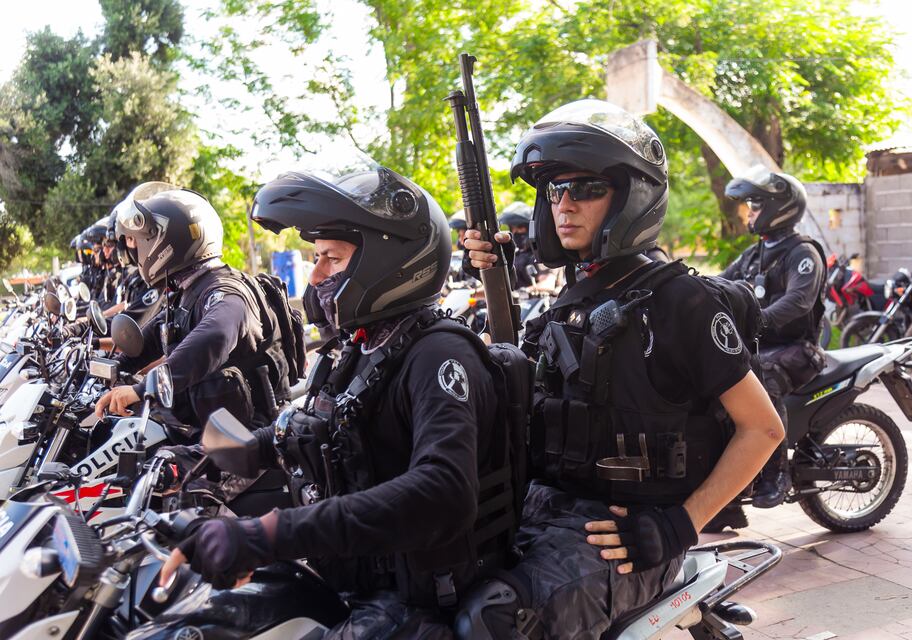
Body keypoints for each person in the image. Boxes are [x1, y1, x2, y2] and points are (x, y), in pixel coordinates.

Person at [155, 160, 523, 639]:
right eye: (317, 258)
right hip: (353, 575)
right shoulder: (363, 346)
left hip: (414, 600)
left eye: (332, 258)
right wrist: (220, 454)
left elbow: (444, 491)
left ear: (385, 264)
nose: (316, 277)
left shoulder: (439, 354)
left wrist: (267, 534)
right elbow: (316, 423)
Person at [460, 99, 783, 638]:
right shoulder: (573, 297)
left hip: (627, 529)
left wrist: (681, 524)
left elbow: (764, 427)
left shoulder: (680, 301)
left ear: (631, 196)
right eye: (554, 190)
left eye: (585, 188)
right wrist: (497, 281)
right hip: (545, 505)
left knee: (494, 622)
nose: (564, 204)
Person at [94, 182, 291, 434]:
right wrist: (113, 370)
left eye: (137, 241)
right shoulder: (186, 292)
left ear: (162, 241)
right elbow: (151, 339)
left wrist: (140, 390)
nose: (134, 251)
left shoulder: (226, 291)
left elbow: (214, 336)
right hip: (203, 428)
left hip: (246, 443)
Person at [712, 166, 827, 527]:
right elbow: (716, 285)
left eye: (757, 204)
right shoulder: (753, 254)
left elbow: (798, 301)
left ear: (781, 207)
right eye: (749, 204)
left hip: (797, 349)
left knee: (763, 378)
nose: (750, 212)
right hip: (759, 347)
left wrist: (757, 320)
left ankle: (777, 473)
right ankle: (725, 501)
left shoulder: (803, 253)